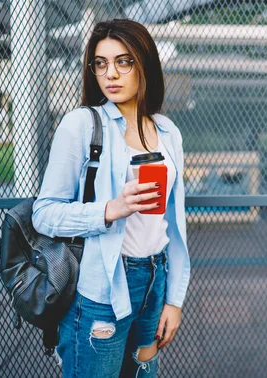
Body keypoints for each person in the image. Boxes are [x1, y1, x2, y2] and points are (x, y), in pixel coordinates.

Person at [32, 19, 190, 378]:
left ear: (143, 63)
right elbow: (44, 214)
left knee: (144, 373)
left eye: (124, 61)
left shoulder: (167, 131)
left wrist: (174, 299)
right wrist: (109, 210)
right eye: (100, 63)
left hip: (156, 276)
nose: (110, 74)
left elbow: (173, 223)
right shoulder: (81, 125)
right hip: (102, 287)